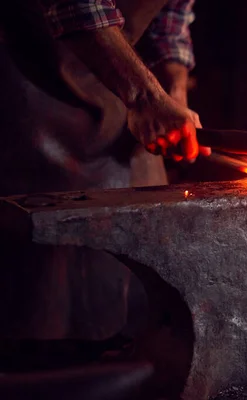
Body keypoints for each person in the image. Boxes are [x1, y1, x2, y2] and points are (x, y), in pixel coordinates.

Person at [0, 0, 208, 347]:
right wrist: (143, 96)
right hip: (27, 98)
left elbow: (171, 14)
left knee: (138, 307)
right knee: (36, 307)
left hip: (121, 96)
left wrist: (173, 92)